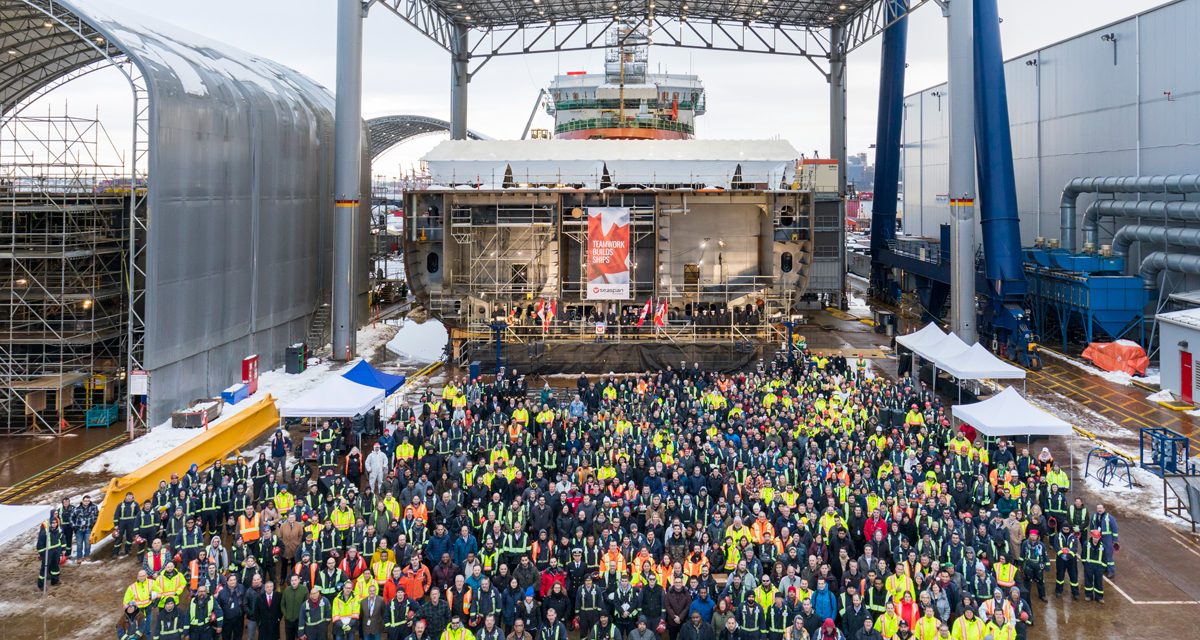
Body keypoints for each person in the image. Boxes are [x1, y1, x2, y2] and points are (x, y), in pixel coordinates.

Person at [35, 517, 66, 590]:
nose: (54, 524)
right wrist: (42, 554)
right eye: (52, 523)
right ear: (50, 523)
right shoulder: (45, 532)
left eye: (55, 523)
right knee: (45, 568)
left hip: (57, 551)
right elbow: (40, 544)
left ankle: (55, 581)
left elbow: (62, 539)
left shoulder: (59, 530)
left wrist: (63, 549)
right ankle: (41, 585)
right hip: (48, 552)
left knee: (55, 566)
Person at [1082, 530, 1106, 604]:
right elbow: (1083, 555)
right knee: (1088, 581)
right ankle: (1088, 595)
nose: (1096, 539)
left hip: (1098, 567)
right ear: (1092, 537)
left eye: (1097, 537)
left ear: (1099, 538)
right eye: (1095, 537)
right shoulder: (1086, 544)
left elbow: (1104, 558)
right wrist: (1085, 565)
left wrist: (1103, 568)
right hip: (1089, 566)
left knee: (1098, 582)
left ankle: (1099, 597)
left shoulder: (1102, 546)